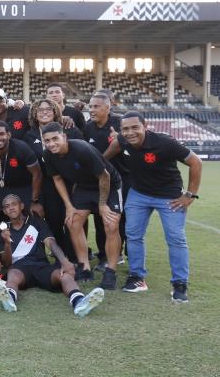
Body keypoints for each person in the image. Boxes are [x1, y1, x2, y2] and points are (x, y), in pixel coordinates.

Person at [104, 112, 201, 302]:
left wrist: (189, 195)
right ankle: (137, 278)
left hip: (170, 197)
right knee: (133, 235)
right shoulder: (121, 141)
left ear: (144, 126)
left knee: (176, 239)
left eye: (134, 127)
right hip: (139, 194)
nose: (130, 133)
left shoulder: (165, 143)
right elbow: (103, 158)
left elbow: (195, 162)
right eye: (125, 129)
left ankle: (180, 284)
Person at [0, 194, 105, 317]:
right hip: (20, 268)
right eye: (7, 206)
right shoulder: (2, 232)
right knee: (12, 274)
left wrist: (64, 261)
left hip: (41, 265)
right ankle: (9, 299)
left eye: (14, 204)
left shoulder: (36, 223)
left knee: (64, 275)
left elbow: (51, 243)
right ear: (4, 211)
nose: (11, 208)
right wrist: (7, 243)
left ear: (21, 206)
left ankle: (79, 302)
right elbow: (7, 263)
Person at [41, 122, 123, 287]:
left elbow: (104, 177)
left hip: (109, 186)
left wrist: (102, 205)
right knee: (73, 222)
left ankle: (111, 271)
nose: (51, 144)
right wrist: (69, 206)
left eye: (55, 139)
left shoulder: (81, 149)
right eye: (47, 140)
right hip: (84, 188)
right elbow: (57, 179)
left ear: (64, 136)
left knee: (111, 224)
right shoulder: (48, 155)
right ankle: (84, 267)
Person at [23, 99, 82, 259]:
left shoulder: (69, 129)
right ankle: (61, 257)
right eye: (39, 109)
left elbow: (79, 157)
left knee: (72, 222)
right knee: (53, 222)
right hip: (45, 187)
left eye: (48, 108)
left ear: (55, 111)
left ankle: (76, 258)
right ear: (34, 114)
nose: (44, 112)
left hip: (70, 184)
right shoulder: (29, 135)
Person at [84, 92, 128, 272]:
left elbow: (124, 144)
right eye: (90, 107)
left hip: (121, 179)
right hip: (99, 180)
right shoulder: (88, 127)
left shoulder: (119, 123)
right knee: (100, 218)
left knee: (120, 219)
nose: (92, 110)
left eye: (96, 107)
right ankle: (104, 255)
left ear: (108, 108)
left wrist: (120, 139)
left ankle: (118, 254)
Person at [0, 121, 43, 220]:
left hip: (24, 186)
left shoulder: (22, 148)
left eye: (1, 134)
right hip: (1, 188)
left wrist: (34, 201)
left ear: (9, 134)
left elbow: (37, 174)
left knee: (32, 215)